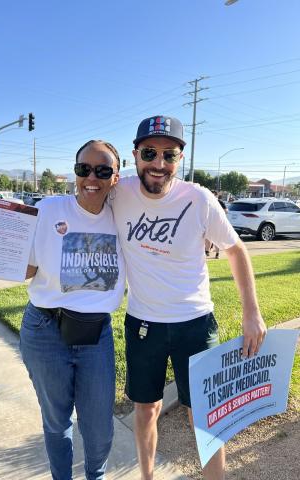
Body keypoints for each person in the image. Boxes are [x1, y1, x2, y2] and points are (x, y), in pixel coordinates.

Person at [0, 140, 126, 480]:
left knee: (99, 427)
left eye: (102, 170)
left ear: (115, 177)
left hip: (96, 335)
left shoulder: (124, 218)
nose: (92, 177)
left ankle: (97, 476)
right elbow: (29, 268)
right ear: (75, 172)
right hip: (45, 331)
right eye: (84, 169)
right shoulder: (48, 209)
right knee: (56, 420)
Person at [111, 115, 267, 480]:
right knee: (146, 409)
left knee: (205, 411)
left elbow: (235, 249)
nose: (159, 164)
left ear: (180, 158)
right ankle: (147, 476)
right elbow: (75, 208)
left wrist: (252, 313)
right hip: (143, 323)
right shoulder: (118, 194)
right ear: (135, 155)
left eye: (170, 155)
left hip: (195, 324)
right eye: (150, 153)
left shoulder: (199, 199)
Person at [206, 191, 229, 259]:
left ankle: (217, 253)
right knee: (207, 237)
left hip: (217, 223)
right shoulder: (208, 202)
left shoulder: (220, 202)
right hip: (209, 222)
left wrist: (219, 212)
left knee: (216, 239)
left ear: (216, 195)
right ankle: (207, 251)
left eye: (212, 194)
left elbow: (226, 211)